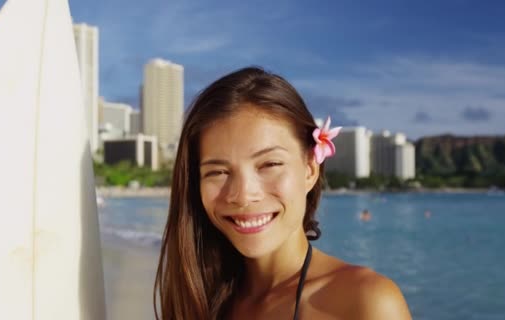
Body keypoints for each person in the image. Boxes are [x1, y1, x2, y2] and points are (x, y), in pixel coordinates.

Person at [154, 67, 412, 319]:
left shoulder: (365, 303)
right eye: (219, 172)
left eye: (269, 165)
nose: (243, 196)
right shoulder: (196, 297)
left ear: (310, 170)